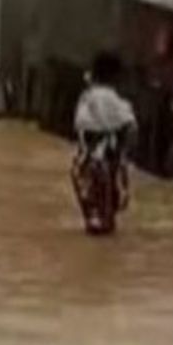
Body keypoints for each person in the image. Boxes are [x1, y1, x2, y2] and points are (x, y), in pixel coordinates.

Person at [72, 52, 137, 232]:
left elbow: (79, 126)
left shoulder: (86, 96)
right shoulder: (112, 98)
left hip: (84, 158)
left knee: (92, 206)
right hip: (105, 157)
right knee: (107, 215)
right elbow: (131, 126)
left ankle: (94, 220)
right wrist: (125, 154)